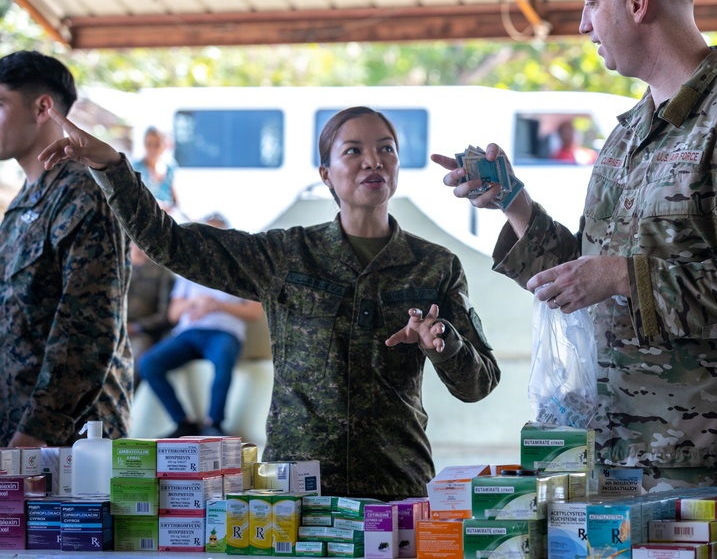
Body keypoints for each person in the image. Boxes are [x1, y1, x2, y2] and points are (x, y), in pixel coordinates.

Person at [435, 0, 717, 505]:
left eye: (590, 1)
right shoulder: (629, 131)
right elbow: (591, 274)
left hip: (698, 468)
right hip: (605, 459)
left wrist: (619, 275)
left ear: (639, 2)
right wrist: (515, 204)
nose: (583, 22)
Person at [40, 105, 500, 498]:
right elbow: (171, 244)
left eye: (386, 149)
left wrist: (445, 345)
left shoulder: (434, 265)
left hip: (396, 484)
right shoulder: (285, 254)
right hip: (297, 490)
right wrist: (111, 167)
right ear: (326, 174)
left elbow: (478, 384)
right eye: (353, 151)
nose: (372, 162)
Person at [0, 50, 131, 447]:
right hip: (20, 432)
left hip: (71, 441)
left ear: (43, 108)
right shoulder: (24, 201)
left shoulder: (84, 193)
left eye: (0, 104)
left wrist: (34, 434)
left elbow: (88, 327)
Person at [138, 212, 264, 437]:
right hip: (189, 334)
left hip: (224, 333)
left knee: (223, 360)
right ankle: (183, 422)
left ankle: (214, 423)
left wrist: (218, 305)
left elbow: (255, 311)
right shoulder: (189, 271)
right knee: (148, 363)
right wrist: (196, 302)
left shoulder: (241, 270)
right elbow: (173, 313)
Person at [128, 240, 176, 386]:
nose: (138, 246)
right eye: (135, 242)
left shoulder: (163, 274)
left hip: (141, 334)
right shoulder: (118, 266)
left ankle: (123, 405)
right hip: (112, 328)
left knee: (136, 357)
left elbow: (165, 315)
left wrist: (135, 327)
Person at [135, 126, 179, 212]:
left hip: (167, 219)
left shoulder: (170, 167)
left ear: (164, 145)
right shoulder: (136, 168)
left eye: (157, 145)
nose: (152, 149)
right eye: (149, 144)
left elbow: (175, 201)